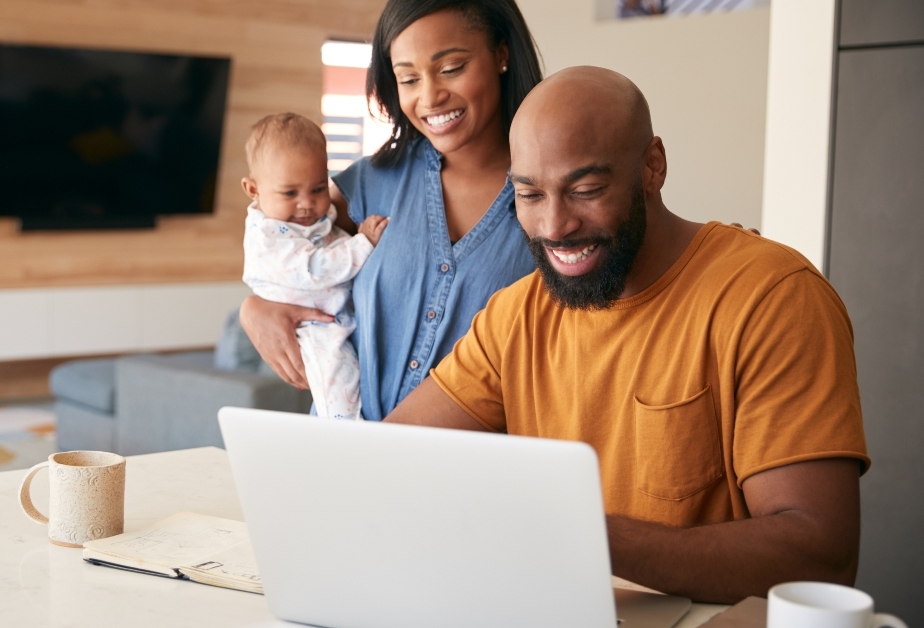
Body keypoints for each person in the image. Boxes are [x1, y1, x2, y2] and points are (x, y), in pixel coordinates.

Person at [385, 66, 869, 604]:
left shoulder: (771, 297)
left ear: (652, 167)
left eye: (585, 190)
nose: (554, 226)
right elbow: (387, 461)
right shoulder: (515, 315)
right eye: (530, 195)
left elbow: (820, 557)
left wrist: (579, 533)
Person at [240, 0, 544, 420]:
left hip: (474, 456)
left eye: (451, 68)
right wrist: (255, 309)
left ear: (502, 54)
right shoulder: (371, 181)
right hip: (344, 448)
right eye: (408, 78)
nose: (430, 97)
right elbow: (282, 248)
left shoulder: (550, 195)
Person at [241, 113, 389, 419]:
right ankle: (346, 434)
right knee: (340, 386)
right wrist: (363, 243)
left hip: (331, 317)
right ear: (253, 189)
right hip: (311, 329)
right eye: (290, 193)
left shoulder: (304, 221)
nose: (307, 203)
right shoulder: (268, 237)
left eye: (318, 189)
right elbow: (316, 270)